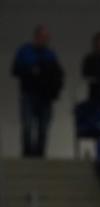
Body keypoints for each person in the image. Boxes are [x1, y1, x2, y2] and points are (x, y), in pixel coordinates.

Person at [12, 25, 64, 157]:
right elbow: (15, 69)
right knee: (27, 125)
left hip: (45, 97)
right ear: (36, 37)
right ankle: (27, 154)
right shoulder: (25, 51)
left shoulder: (50, 55)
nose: (44, 40)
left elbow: (58, 74)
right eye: (42, 37)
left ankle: (40, 155)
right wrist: (31, 70)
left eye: (46, 38)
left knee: (43, 128)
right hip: (28, 94)